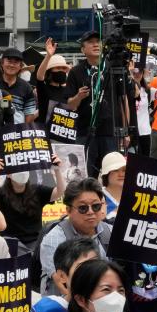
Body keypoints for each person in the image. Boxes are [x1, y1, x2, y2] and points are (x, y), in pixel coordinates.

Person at [38, 178, 113, 296]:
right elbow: (62, 286)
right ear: (68, 210)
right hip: (65, 306)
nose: (90, 212)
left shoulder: (110, 232)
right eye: (83, 208)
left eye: (96, 206)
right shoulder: (54, 240)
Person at [65, 31, 122, 177]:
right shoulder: (75, 72)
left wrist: (125, 131)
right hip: (85, 130)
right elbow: (71, 105)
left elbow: (124, 99)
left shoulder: (112, 68)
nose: (96, 44)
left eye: (98, 41)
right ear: (82, 49)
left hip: (110, 131)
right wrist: (78, 96)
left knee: (112, 173)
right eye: (90, 42)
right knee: (85, 174)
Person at [33, 38, 71, 122]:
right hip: (45, 132)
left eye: (63, 68)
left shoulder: (69, 91)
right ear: (50, 71)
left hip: (64, 132)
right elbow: (39, 76)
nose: (61, 70)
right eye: (57, 68)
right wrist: (48, 56)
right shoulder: (44, 89)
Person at [0, 47, 37, 124]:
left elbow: (29, 114)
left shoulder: (26, 87)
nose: (12, 65)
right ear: (2, 63)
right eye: (9, 61)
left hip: (17, 132)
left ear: (20, 66)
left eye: (15, 62)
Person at [99, 151, 126, 220]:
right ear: (106, 174)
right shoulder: (98, 196)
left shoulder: (135, 195)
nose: (121, 174)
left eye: (124, 170)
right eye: (115, 170)